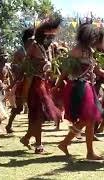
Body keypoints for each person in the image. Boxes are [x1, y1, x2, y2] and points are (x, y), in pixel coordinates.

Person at [56, 24, 104, 160]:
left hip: (88, 87)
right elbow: (66, 70)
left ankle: (87, 152)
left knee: (90, 120)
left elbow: (96, 70)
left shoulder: (90, 51)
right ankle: (66, 143)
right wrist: (58, 84)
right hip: (78, 87)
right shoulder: (76, 50)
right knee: (88, 118)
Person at [20, 18, 62, 154]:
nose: (51, 39)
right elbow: (26, 66)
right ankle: (38, 144)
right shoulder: (34, 46)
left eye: (52, 36)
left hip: (44, 84)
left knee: (41, 116)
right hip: (34, 85)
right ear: (42, 35)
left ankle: (27, 138)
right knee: (37, 115)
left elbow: (49, 68)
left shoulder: (48, 49)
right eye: (49, 36)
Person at [6, 28, 34, 134]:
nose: (34, 42)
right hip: (21, 82)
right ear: (27, 40)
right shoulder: (20, 52)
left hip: (31, 81)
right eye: (32, 40)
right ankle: (9, 125)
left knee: (33, 105)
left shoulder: (33, 51)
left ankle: (31, 128)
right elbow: (13, 67)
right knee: (18, 107)